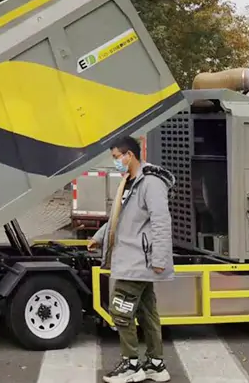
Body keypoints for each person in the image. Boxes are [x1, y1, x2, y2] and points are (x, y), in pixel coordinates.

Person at [88, 136, 175, 383]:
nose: (115, 162)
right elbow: (120, 218)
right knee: (148, 313)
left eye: (117, 157)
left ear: (130, 155)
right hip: (133, 258)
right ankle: (156, 366)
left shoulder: (151, 184)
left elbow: (161, 221)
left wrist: (160, 258)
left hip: (138, 261)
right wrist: (99, 237)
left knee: (120, 311)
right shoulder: (130, 182)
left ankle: (131, 365)